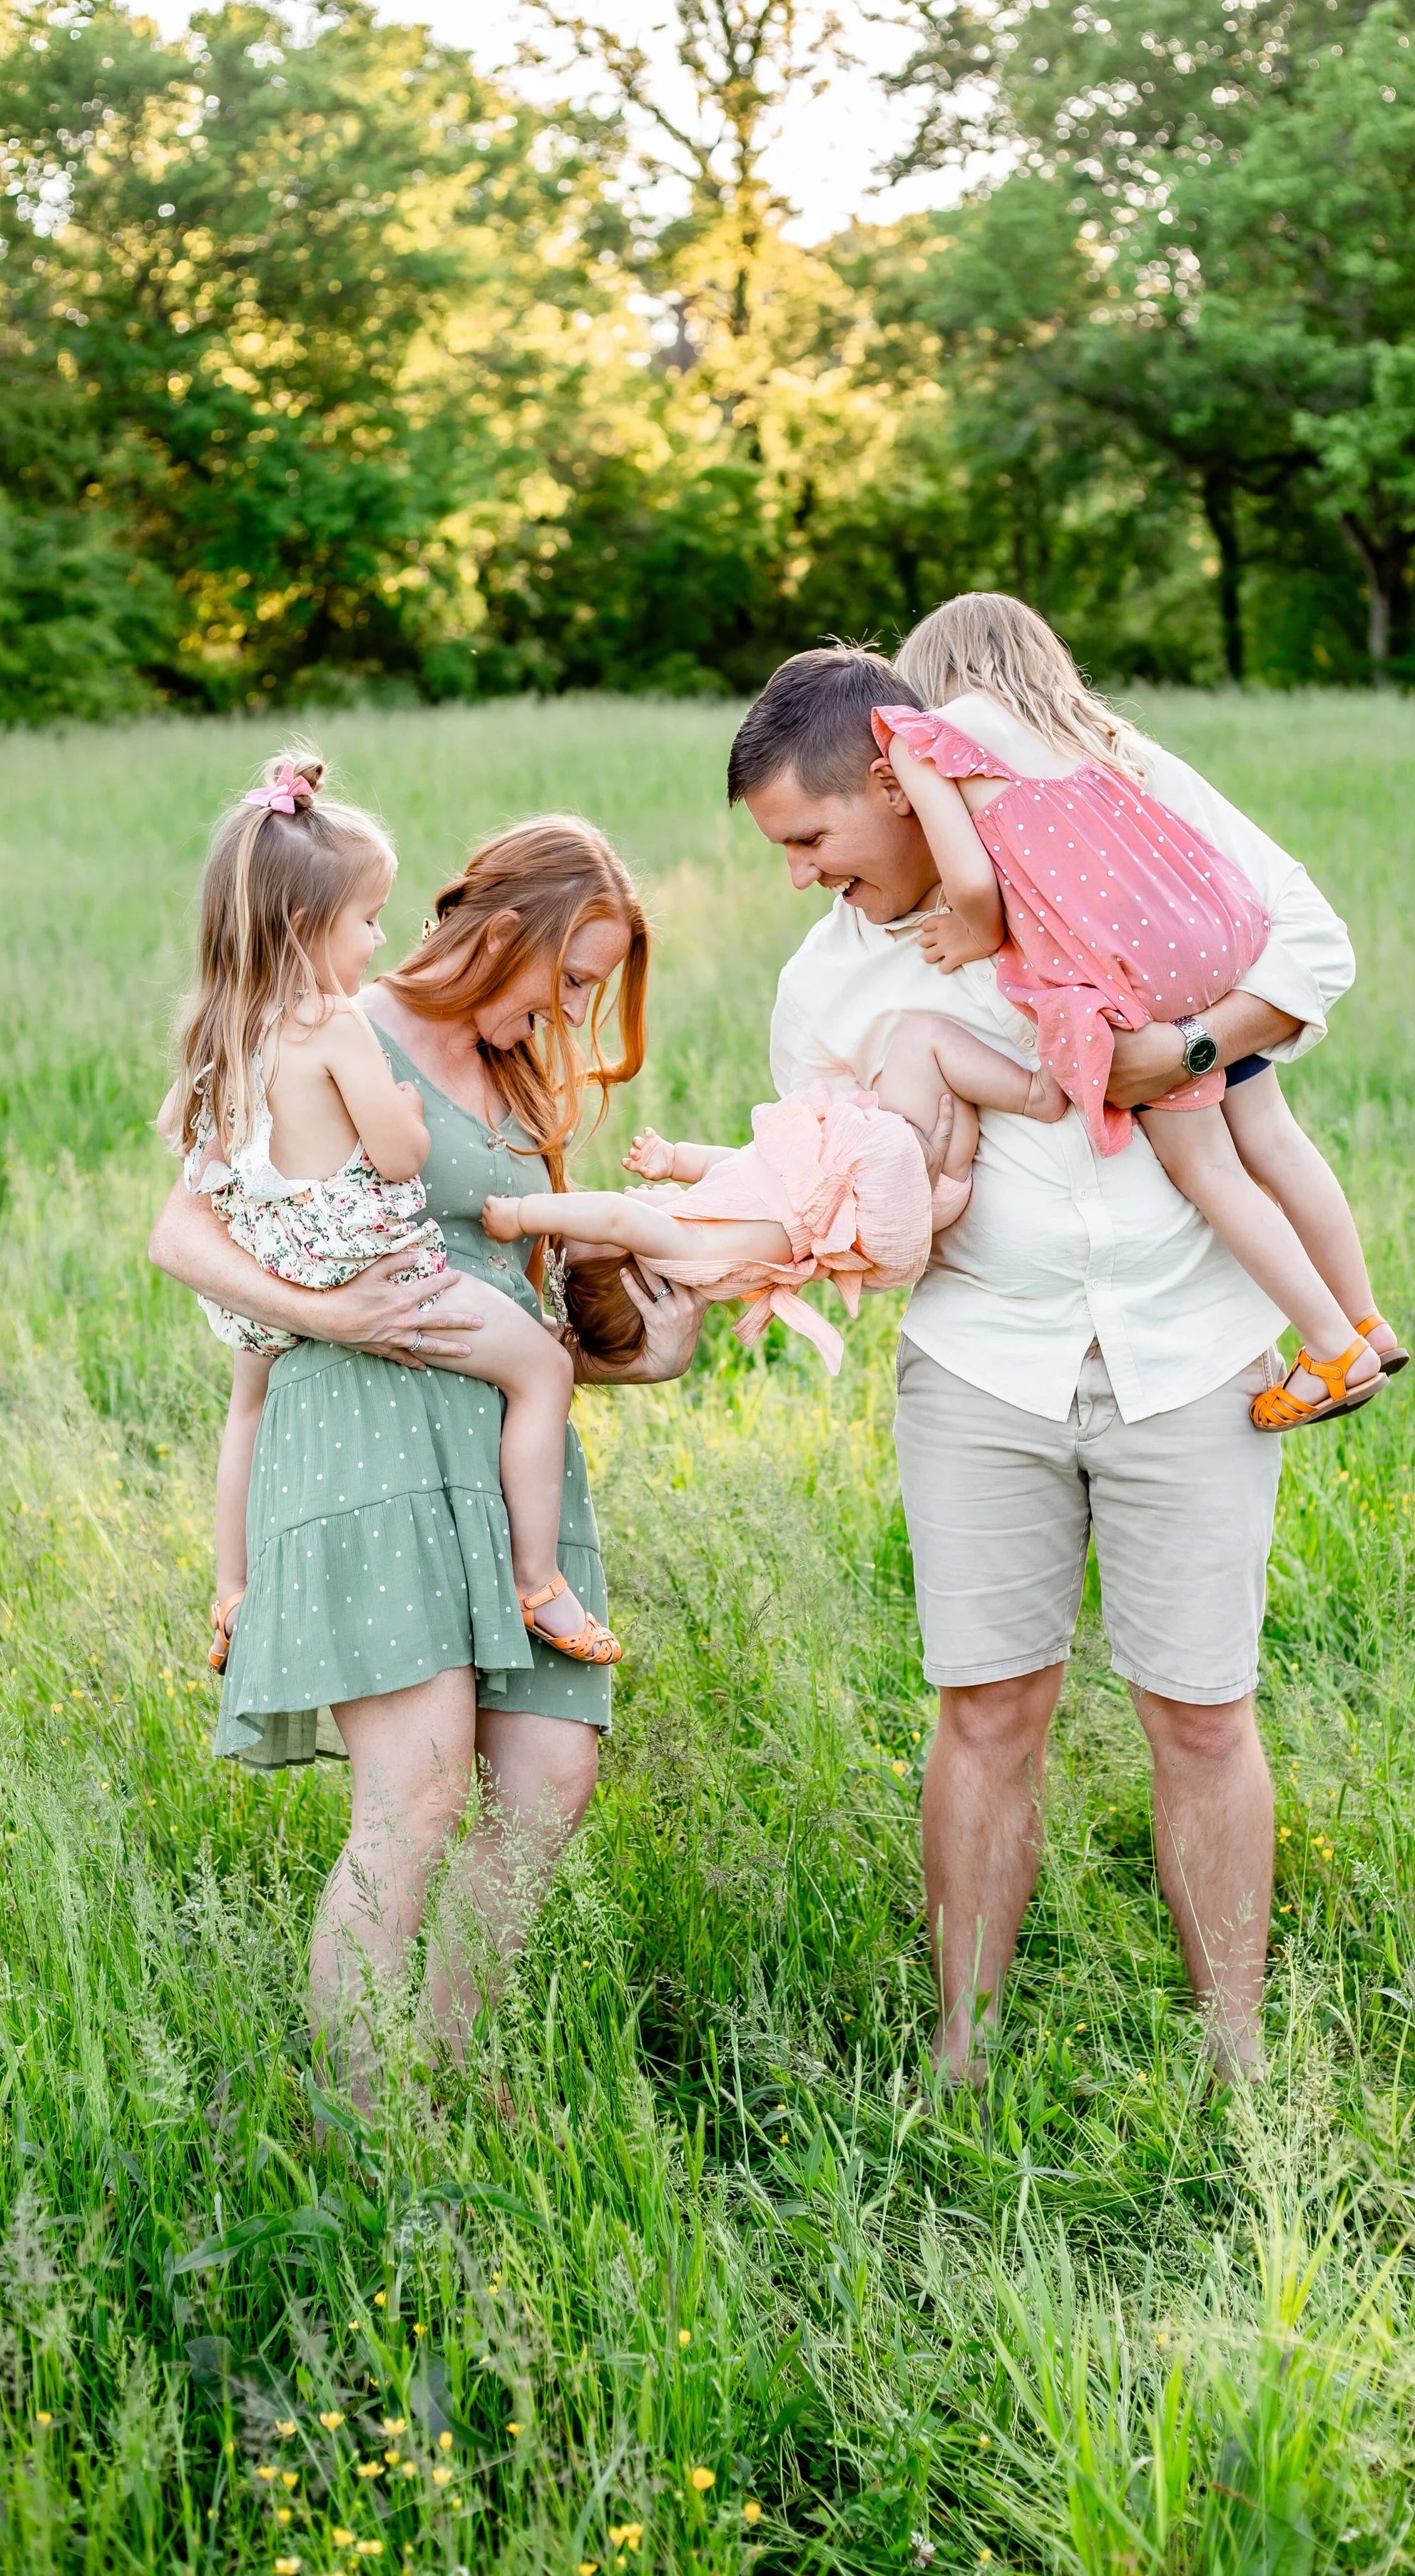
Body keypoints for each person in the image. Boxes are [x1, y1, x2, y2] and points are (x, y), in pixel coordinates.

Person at [728, 634, 1358, 2082]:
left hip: (1190, 1350)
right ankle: (960, 2046)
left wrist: (1180, 1054)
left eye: (811, 839)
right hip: (978, 1371)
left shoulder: (1107, 810)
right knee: (986, 1706)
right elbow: (840, 1205)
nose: (799, 873)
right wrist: (809, 1220)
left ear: (899, 779)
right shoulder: (821, 990)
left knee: (1201, 1711)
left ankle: (1235, 2057)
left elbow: (1310, 949)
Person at [147, 812, 705, 2109]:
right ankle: (368, 2116)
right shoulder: (338, 1016)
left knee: (553, 1778)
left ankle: (447, 2065)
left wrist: (638, 1359)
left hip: (507, 1462)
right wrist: (331, 1316)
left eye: (596, 991)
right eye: (568, 978)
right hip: (365, 1440)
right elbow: (185, 1227)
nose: (575, 1011)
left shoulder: (518, 1082)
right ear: (502, 933)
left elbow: (510, 1303)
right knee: (418, 1795)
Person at [873, 594, 1404, 1428]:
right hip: (1218, 936)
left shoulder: (930, 739)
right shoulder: (1099, 742)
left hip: (1133, 972)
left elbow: (976, 888)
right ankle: (1364, 1312)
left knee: (1210, 1168)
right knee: (1273, 1139)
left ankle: (1334, 1349)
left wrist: (970, 935)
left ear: (933, 681)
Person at [167, 750, 618, 1676]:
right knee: (538, 1369)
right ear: (308, 925)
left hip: (281, 1257)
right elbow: (399, 1155)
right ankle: (538, 1578)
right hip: (369, 1259)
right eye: (367, 919)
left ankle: (232, 1588)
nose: (379, 938)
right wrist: (401, 1121)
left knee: (245, 1406)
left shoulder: (223, 1027)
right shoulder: (340, 1023)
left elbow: (200, 1150)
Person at [489, 1020, 1063, 1375]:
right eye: (602, 1230)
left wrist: (677, 1159)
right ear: (632, 1259)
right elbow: (615, 1214)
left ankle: (978, 1123)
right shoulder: (678, 1251)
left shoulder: (705, 1247)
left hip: (912, 1200)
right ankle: (1038, 1093)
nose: (622, 1198)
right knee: (920, 1040)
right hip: (882, 1184)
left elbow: (745, 1172)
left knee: (931, 1096)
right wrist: (522, 1215)